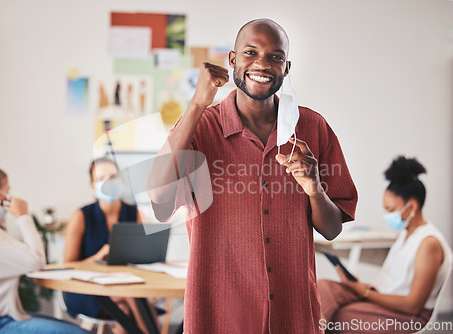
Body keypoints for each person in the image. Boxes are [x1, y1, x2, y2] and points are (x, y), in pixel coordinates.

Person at [147, 18, 358, 333]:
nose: (262, 63)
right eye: (251, 52)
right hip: (219, 315)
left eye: (275, 56)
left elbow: (331, 230)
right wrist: (197, 104)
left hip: (293, 313)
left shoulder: (313, 129)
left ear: (286, 68)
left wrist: (315, 190)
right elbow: (159, 194)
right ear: (232, 60)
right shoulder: (201, 126)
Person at [318, 156, 453, 334]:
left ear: (411, 207)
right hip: (383, 301)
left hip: (408, 316)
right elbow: (393, 284)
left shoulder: (429, 243)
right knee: (321, 288)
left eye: (390, 209)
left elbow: (413, 305)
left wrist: (365, 293)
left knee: (341, 316)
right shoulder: (406, 235)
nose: (387, 215)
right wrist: (361, 287)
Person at [0, 164, 88, 334]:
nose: (11, 197)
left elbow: (6, 254)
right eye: (7, 191)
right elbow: (37, 261)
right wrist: (23, 216)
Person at [62, 157, 150, 333]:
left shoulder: (135, 213)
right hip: (86, 288)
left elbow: (145, 257)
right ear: (92, 185)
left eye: (113, 177)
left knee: (124, 308)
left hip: (124, 282)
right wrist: (98, 257)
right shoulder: (81, 216)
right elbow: (67, 266)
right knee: (132, 297)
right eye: (101, 178)